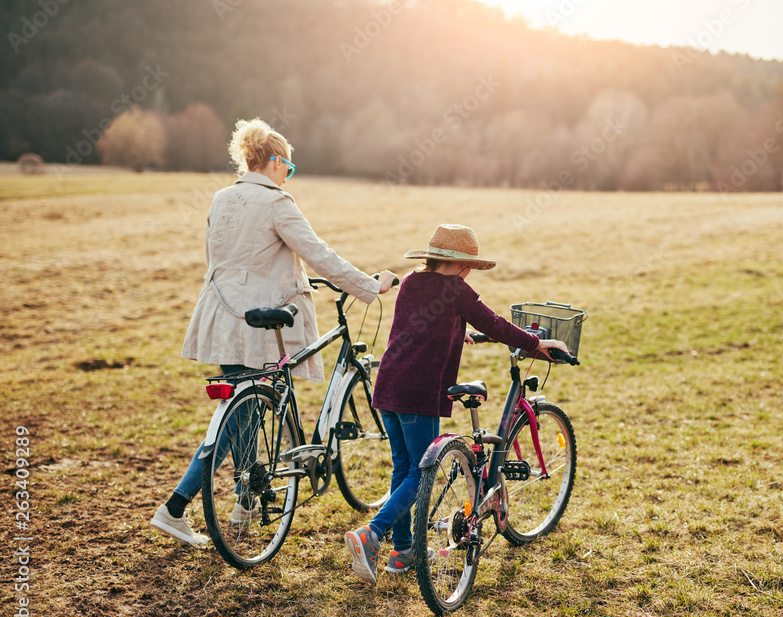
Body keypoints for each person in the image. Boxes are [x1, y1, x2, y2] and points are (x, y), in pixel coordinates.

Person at [150, 118, 397, 546]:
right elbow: (319, 254)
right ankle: (175, 507)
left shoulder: (222, 198)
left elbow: (222, 258)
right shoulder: (277, 202)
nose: (289, 174)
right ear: (274, 161)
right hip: (262, 322)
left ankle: (245, 503)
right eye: (290, 167)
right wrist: (368, 286)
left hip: (223, 317)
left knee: (246, 414)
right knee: (237, 420)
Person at [343, 224, 568, 584]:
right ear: (464, 267)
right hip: (419, 392)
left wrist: (453, 327)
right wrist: (535, 345)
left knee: (404, 469)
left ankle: (403, 553)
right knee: (420, 474)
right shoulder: (457, 291)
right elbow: (495, 324)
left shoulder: (412, 281)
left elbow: (415, 323)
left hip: (388, 385)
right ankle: (371, 534)